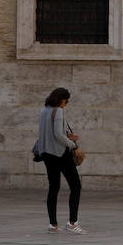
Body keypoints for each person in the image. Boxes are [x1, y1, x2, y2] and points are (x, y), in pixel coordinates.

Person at [37, 87, 83, 234]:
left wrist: (67, 135)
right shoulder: (59, 111)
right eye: (66, 101)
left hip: (46, 153)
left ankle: (53, 224)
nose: (66, 104)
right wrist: (73, 144)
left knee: (53, 187)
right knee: (75, 185)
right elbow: (57, 135)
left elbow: (49, 133)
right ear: (61, 99)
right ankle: (72, 222)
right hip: (60, 153)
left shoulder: (43, 111)